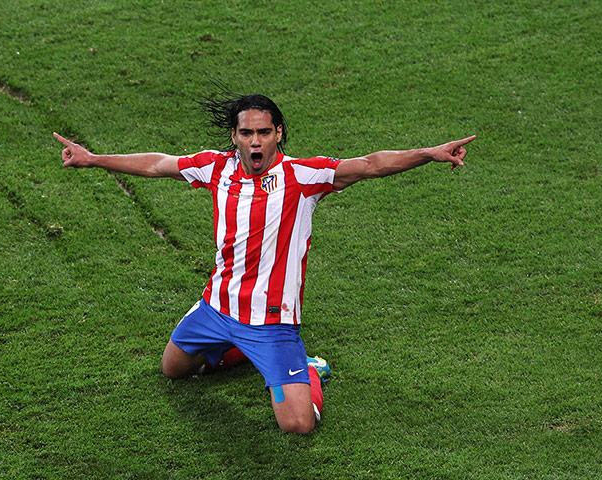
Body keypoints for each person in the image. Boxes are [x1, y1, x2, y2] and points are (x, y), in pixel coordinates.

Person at [54, 92, 475, 434]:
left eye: (263, 132)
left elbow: (369, 165)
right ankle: (236, 349)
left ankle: (308, 369)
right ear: (234, 137)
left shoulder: (302, 177)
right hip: (215, 308)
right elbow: (157, 163)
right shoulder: (215, 167)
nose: (255, 141)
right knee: (173, 371)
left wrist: (429, 153)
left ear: (278, 134)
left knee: (298, 424)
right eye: (246, 133)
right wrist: (93, 159)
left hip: (272, 322)